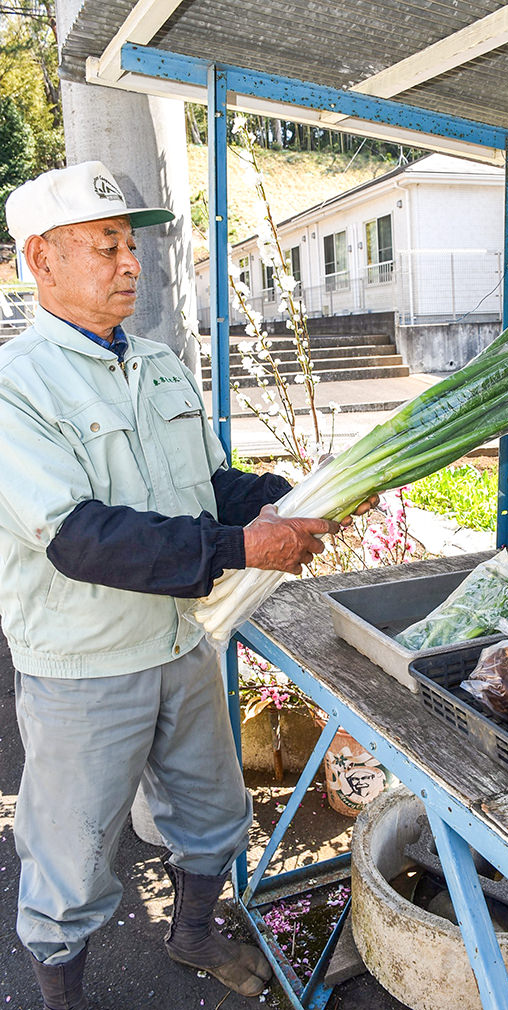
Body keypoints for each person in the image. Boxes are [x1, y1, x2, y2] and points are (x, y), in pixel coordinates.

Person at [1, 161, 376, 1010]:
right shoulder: (15, 385)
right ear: (41, 260)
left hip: (181, 637)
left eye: (130, 245)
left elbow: (211, 489)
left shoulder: (161, 364)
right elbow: (80, 538)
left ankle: (196, 932)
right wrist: (246, 543)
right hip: (84, 664)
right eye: (105, 247)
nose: (130, 263)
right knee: (72, 852)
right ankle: (62, 997)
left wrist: (298, 501)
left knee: (213, 810)